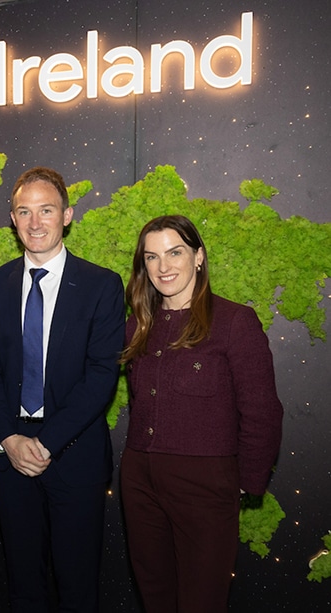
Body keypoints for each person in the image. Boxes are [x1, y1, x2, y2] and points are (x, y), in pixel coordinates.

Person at [0, 166, 125, 612]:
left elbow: (101, 377)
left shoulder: (101, 286)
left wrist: (45, 443)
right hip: (11, 454)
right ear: (12, 219)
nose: (35, 222)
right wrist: (10, 439)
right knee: (23, 586)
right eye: (24, 211)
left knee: (78, 588)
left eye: (46, 210)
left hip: (74, 455)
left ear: (67, 215)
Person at [120, 215, 283, 613]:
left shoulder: (234, 322)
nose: (163, 267)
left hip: (206, 483)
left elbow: (262, 410)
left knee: (202, 601)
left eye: (175, 253)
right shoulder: (138, 325)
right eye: (152, 257)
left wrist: (245, 482)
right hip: (140, 478)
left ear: (198, 257)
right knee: (155, 597)